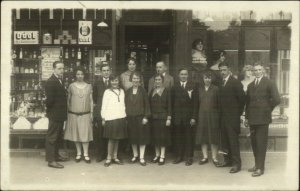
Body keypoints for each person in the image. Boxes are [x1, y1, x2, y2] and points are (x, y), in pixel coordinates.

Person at [245, 64, 280, 177]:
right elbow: (248, 103)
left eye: (260, 70)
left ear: (263, 71)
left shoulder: (269, 83)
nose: (258, 72)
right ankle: (256, 165)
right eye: (255, 70)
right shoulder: (250, 86)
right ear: (253, 72)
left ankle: (260, 168)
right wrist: (246, 117)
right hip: (252, 119)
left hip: (263, 119)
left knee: (261, 143)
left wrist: (267, 108)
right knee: (254, 143)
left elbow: (277, 99)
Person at [217, 62, 246, 173]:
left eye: (224, 70)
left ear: (229, 70)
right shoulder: (221, 83)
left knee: (233, 142)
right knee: (224, 141)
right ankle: (227, 161)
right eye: (220, 70)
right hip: (223, 118)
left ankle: (236, 164)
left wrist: (236, 114)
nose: (222, 72)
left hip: (232, 118)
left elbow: (242, 100)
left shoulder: (235, 82)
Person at [64, 67, 93, 163]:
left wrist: (92, 113)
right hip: (73, 114)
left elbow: (91, 100)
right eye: (78, 74)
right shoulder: (71, 86)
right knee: (76, 134)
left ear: (84, 75)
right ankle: (78, 153)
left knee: (85, 134)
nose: (80, 76)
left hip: (85, 114)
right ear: (75, 75)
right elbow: (68, 101)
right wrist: (68, 113)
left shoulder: (89, 86)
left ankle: (86, 154)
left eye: (81, 74)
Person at [171, 68, 198, 166]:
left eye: (185, 74)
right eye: (181, 74)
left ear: (188, 75)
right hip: (178, 117)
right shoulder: (174, 87)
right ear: (178, 76)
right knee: (178, 137)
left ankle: (189, 157)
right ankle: (179, 156)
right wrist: (172, 116)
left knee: (189, 138)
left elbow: (195, 103)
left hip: (188, 118)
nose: (183, 76)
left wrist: (194, 117)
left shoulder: (193, 86)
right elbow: (172, 103)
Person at [45, 61, 68, 169]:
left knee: (58, 137)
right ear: (54, 69)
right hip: (54, 114)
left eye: (62, 68)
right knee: (52, 137)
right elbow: (49, 101)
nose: (61, 71)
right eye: (59, 68)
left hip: (59, 114)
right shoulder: (51, 81)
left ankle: (56, 156)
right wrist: (52, 112)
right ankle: (51, 160)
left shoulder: (59, 80)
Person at [195, 71, 221, 166]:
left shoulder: (216, 89)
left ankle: (214, 157)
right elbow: (196, 104)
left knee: (214, 137)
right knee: (203, 137)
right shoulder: (199, 89)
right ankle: (205, 157)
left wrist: (218, 116)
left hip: (213, 116)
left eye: (209, 78)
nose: (207, 79)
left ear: (212, 79)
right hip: (202, 116)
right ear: (203, 79)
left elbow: (219, 104)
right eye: (206, 78)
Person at [125, 71, 151, 166]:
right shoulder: (127, 91)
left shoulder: (143, 90)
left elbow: (147, 104)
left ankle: (141, 157)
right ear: (131, 79)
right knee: (133, 137)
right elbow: (125, 105)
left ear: (140, 80)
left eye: (137, 78)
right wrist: (126, 117)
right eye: (134, 78)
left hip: (140, 118)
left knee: (141, 138)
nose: (135, 80)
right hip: (131, 118)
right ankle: (135, 155)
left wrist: (146, 117)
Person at [101, 75, 127, 167]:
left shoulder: (122, 91)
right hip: (110, 118)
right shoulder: (107, 92)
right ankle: (108, 158)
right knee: (111, 139)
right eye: (112, 81)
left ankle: (115, 157)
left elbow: (123, 105)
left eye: (116, 80)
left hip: (120, 117)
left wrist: (124, 116)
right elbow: (104, 106)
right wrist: (103, 118)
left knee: (117, 138)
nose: (114, 82)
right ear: (110, 82)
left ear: (118, 81)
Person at [149, 74, 172, 165]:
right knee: (155, 137)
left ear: (162, 81)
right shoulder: (152, 91)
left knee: (162, 138)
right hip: (154, 118)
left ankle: (162, 156)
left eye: (159, 80)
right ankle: (157, 155)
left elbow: (169, 105)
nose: (157, 81)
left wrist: (169, 118)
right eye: (156, 80)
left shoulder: (166, 91)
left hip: (163, 117)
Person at [92, 64, 111, 162]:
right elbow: (94, 98)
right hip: (100, 111)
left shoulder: (114, 81)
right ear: (101, 72)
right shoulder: (97, 83)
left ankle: (110, 154)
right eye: (104, 70)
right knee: (100, 134)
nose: (106, 72)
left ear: (110, 71)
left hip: (111, 111)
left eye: (107, 70)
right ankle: (100, 154)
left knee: (110, 133)